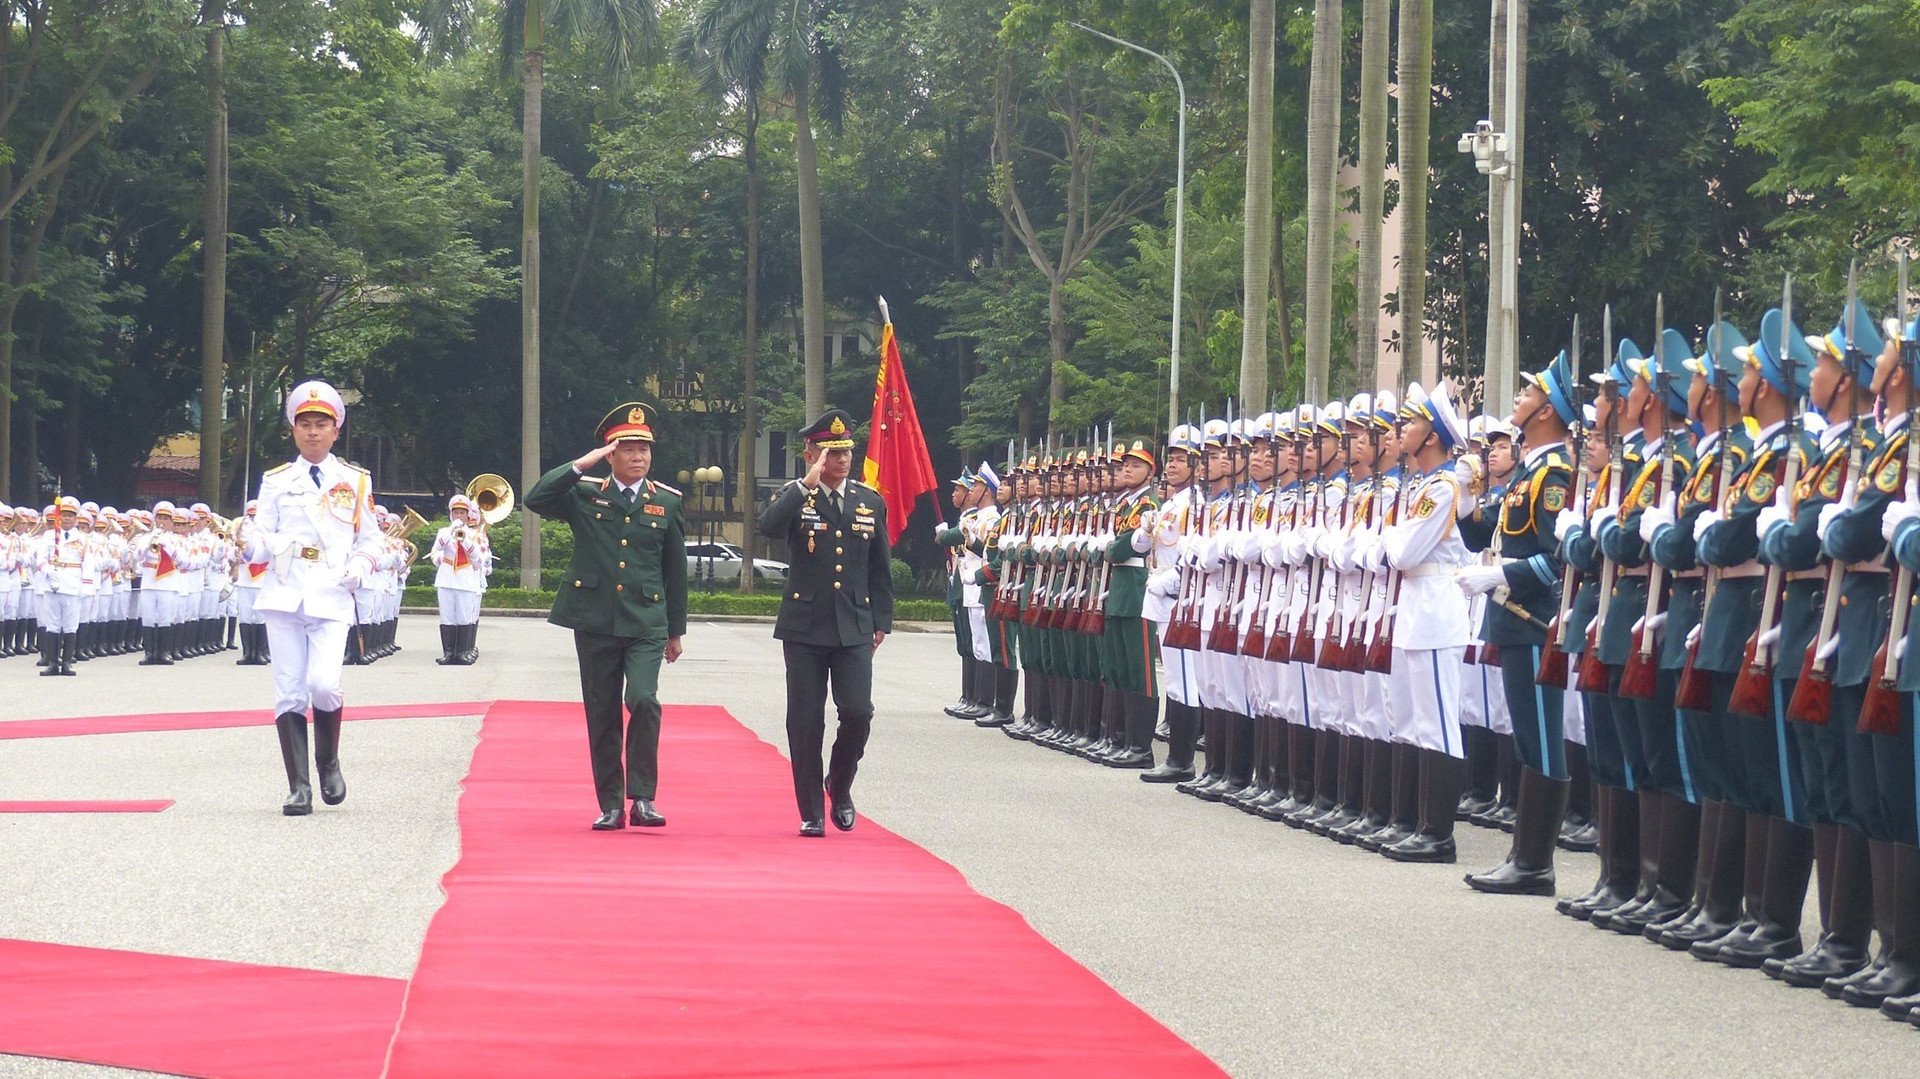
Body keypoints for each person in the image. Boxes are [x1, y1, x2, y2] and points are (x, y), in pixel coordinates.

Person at [525, 400, 688, 832]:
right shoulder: (584, 494)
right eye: (628, 449)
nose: (639, 457)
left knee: (643, 699)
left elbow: (674, 573)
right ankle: (611, 804)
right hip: (595, 619)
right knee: (601, 713)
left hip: (646, 622)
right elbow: (536, 498)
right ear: (611, 454)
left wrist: (676, 631)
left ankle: (644, 798)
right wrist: (582, 464)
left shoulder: (666, 503)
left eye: (644, 449)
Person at [245, 380, 385, 816]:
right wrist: (249, 543)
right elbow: (260, 530)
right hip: (285, 590)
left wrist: (361, 567)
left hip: (331, 589)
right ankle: (299, 786)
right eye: (304, 424)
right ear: (293, 429)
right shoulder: (276, 481)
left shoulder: (354, 480)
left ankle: (329, 762)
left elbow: (372, 539)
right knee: (289, 690)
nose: (312, 432)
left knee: (323, 684)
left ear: (336, 429)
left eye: (321, 424)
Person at [757, 407, 896, 837]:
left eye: (846, 451)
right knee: (805, 720)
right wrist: (804, 486)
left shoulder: (869, 502)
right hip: (805, 625)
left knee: (858, 712)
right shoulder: (796, 496)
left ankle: (840, 782)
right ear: (811, 453)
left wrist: (882, 620)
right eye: (831, 452)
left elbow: (880, 567)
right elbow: (768, 527)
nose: (841, 459)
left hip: (854, 623)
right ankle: (811, 809)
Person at [432, 494, 493, 665]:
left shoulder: (475, 535)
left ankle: (463, 652)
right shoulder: (443, 532)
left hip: (466, 580)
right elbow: (435, 551)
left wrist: (464, 539)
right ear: (451, 515)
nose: (459, 516)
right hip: (446, 578)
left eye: (462, 513)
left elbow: (479, 559)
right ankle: (449, 653)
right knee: (447, 617)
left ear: (467, 515)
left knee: (464, 617)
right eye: (455, 513)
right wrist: (450, 535)